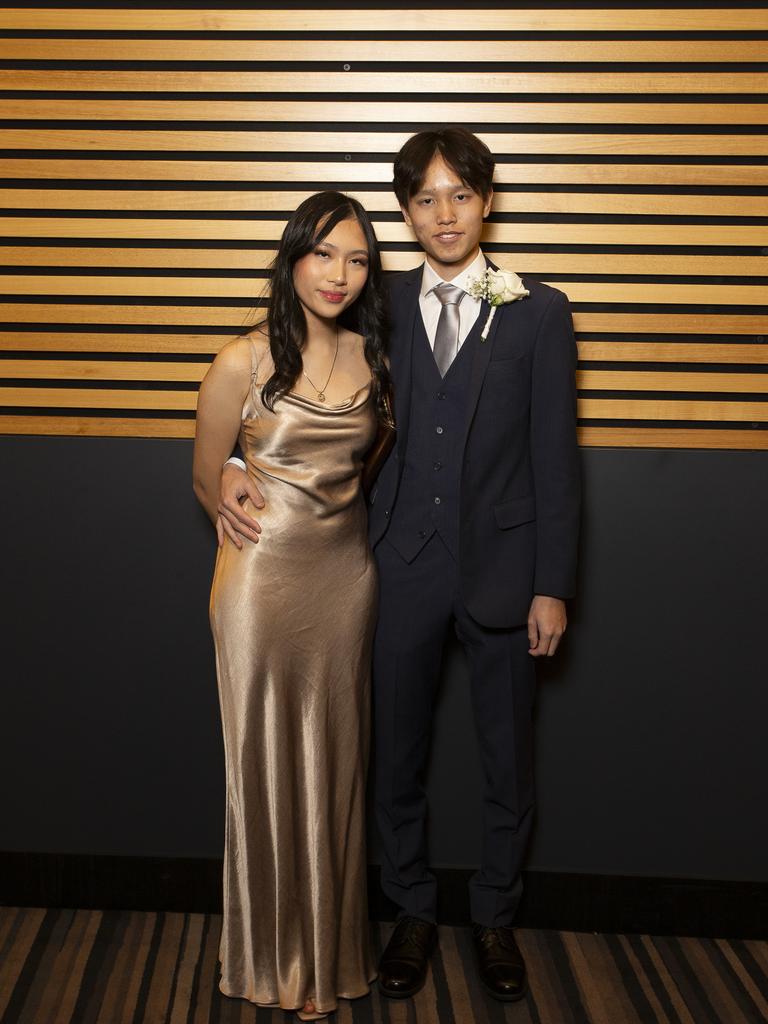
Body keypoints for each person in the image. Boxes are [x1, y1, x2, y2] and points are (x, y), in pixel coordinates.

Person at [218, 128, 581, 1004]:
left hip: (504, 568)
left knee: (508, 759)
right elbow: (282, 368)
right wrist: (236, 461)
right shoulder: (370, 294)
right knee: (395, 756)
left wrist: (553, 584)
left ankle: (495, 916)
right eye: (425, 199)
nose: (444, 214)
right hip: (390, 567)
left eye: (460, 195)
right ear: (406, 211)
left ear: (486, 203)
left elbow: (557, 458)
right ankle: (410, 909)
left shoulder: (540, 310)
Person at [192, 190, 391, 1021]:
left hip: (343, 584)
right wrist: (234, 484)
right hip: (257, 588)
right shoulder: (241, 358)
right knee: (263, 771)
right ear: (293, 257)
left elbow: (364, 476)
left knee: (337, 773)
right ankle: (270, 962)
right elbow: (206, 476)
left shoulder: (378, 359)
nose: (339, 275)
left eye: (356, 259)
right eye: (323, 254)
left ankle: (328, 958)